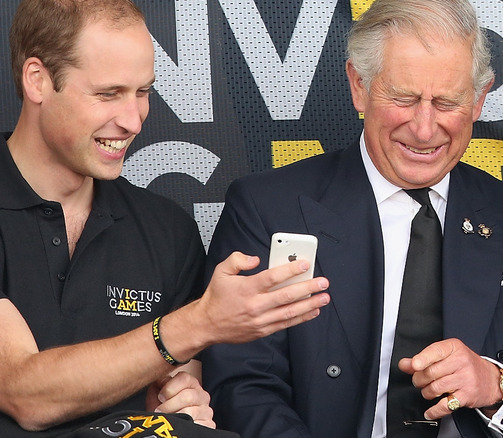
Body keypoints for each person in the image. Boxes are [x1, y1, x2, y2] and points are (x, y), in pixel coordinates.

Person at [200, 0, 503, 436]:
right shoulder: (268, 209)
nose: (425, 128)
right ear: (359, 85)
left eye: (447, 102)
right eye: (404, 98)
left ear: (479, 100)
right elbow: (241, 383)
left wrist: (498, 385)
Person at [0, 0, 330, 436]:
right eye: (108, 93)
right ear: (38, 80)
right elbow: (24, 392)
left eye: (142, 92)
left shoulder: (167, 230)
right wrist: (197, 324)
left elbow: (178, 391)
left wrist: (183, 406)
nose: (134, 120)